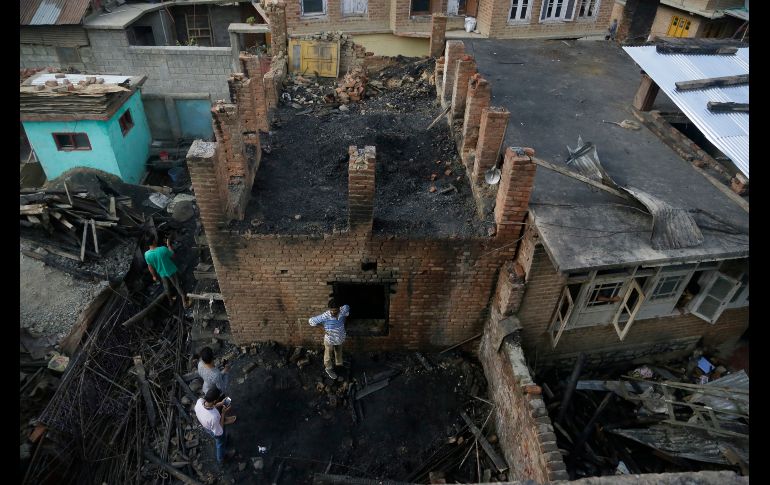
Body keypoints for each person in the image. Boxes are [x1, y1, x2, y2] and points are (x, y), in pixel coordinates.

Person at [308, 299, 350, 380]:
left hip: (340, 337)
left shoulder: (343, 310)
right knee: (328, 355)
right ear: (329, 309)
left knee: (338, 352)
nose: (333, 312)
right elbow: (311, 321)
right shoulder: (325, 316)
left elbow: (347, 307)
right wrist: (323, 329)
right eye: (332, 311)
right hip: (329, 339)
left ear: (339, 308)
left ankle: (339, 365)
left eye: (336, 310)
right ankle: (328, 368)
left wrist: (344, 319)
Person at [194, 387, 236, 466]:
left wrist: (221, 403)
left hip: (206, 425)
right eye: (218, 399)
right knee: (220, 442)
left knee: (222, 438)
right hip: (214, 429)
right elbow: (219, 431)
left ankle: (225, 440)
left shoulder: (200, 401)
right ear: (214, 400)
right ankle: (221, 459)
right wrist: (223, 413)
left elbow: (209, 406)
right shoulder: (214, 416)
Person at [144, 235, 190, 307]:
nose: (156, 241)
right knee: (178, 286)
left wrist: (154, 276)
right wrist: (168, 245)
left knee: (166, 288)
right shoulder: (163, 249)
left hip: (161, 273)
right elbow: (173, 255)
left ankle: (170, 301)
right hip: (171, 271)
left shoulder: (146, 254)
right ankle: (184, 301)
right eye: (154, 240)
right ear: (153, 241)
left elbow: (150, 267)